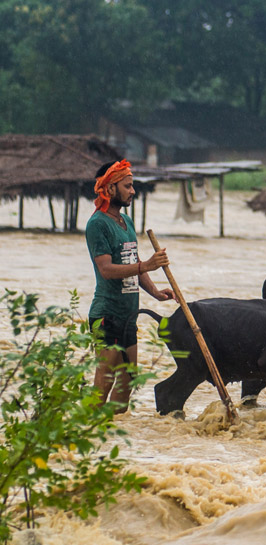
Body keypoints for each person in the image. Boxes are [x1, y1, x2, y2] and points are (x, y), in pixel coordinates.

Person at [86, 159, 175, 406]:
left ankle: (108, 437)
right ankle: (82, 435)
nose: (132, 191)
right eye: (127, 186)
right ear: (110, 189)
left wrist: (155, 292)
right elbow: (106, 270)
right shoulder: (97, 224)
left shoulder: (127, 222)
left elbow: (132, 261)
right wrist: (146, 265)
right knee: (102, 386)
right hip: (107, 315)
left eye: (132, 185)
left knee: (125, 390)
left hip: (128, 317)